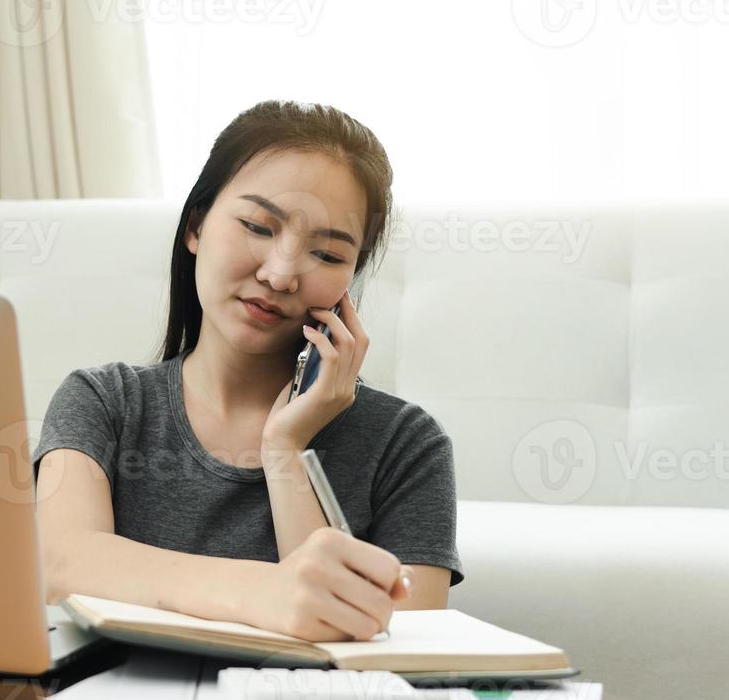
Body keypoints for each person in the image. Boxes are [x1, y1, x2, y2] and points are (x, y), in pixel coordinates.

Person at [32, 100, 463, 643]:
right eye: (259, 225)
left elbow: (403, 658)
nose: (281, 274)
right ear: (195, 226)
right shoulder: (103, 402)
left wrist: (286, 450)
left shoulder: (407, 444)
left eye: (328, 256)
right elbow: (65, 566)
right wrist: (266, 593)